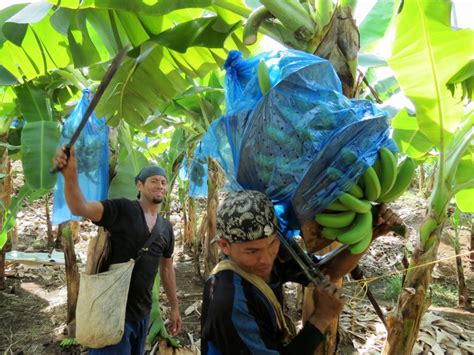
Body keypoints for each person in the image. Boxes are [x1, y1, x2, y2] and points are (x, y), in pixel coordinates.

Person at [54, 146, 182, 354]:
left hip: (142, 314)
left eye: (163, 182)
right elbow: (81, 208)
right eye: (153, 180)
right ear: (139, 185)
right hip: (111, 311)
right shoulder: (122, 210)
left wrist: (175, 307)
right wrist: (69, 175)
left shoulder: (165, 228)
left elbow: (167, 269)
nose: (160, 185)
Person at [201, 190, 345, 354]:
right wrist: (322, 316)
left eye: (272, 244)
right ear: (224, 246)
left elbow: (325, 271)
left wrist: (371, 234)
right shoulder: (231, 302)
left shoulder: (276, 252)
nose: (266, 259)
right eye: (252, 252)